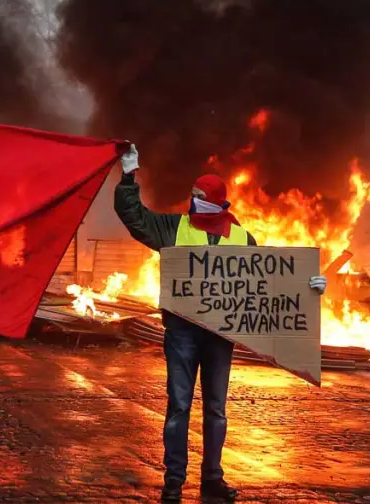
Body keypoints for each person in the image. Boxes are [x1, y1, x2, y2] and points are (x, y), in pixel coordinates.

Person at [114, 144, 327, 503]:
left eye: (200, 197)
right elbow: (135, 217)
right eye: (192, 196)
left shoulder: (242, 239)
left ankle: (212, 478)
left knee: (215, 408)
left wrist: (308, 288)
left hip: (220, 335)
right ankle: (174, 481)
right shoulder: (173, 227)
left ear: (217, 201)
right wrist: (128, 176)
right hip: (182, 331)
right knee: (178, 405)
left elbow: (269, 283)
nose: (193, 201)